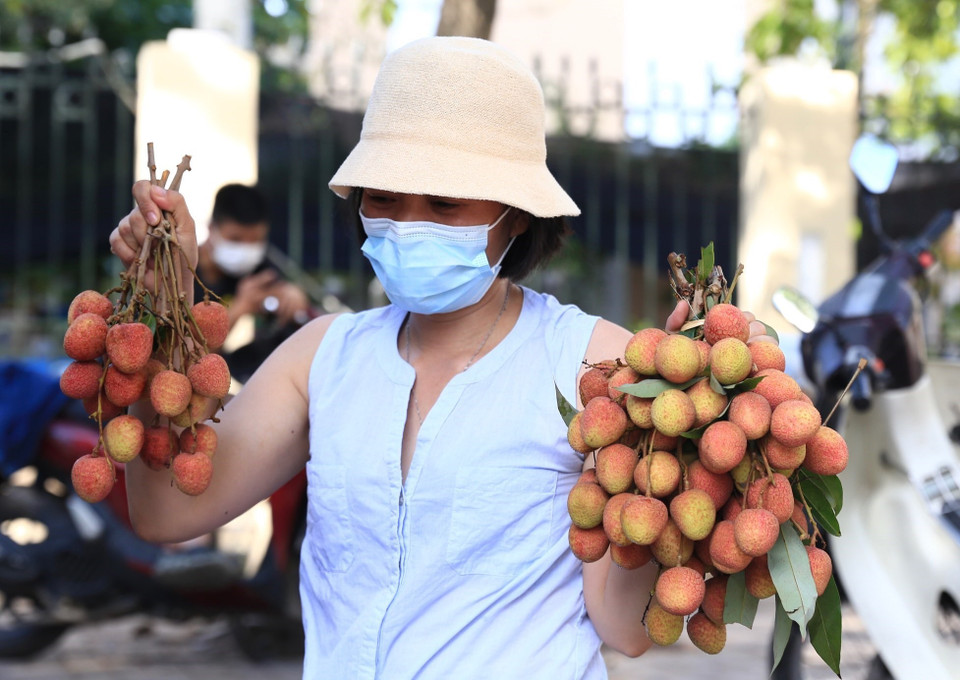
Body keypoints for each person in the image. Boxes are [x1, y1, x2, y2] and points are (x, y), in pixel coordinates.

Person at [110, 37, 773, 678]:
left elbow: (626, 631)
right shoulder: (320, 358)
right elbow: (168, 514)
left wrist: (672, 451)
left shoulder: (599, 367)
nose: (408, 223)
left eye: (446, 203)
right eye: (385, 199)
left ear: (516, 216)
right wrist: (159, 314)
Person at [195, 183, 311, 381]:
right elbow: (191, 355)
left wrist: (294, 297)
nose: (246, 250)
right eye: (236, 239)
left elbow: (286, 294)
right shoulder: (183, 274)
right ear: (211, 228)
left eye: (256, 240)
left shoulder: (257, 269)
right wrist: (241, 307)